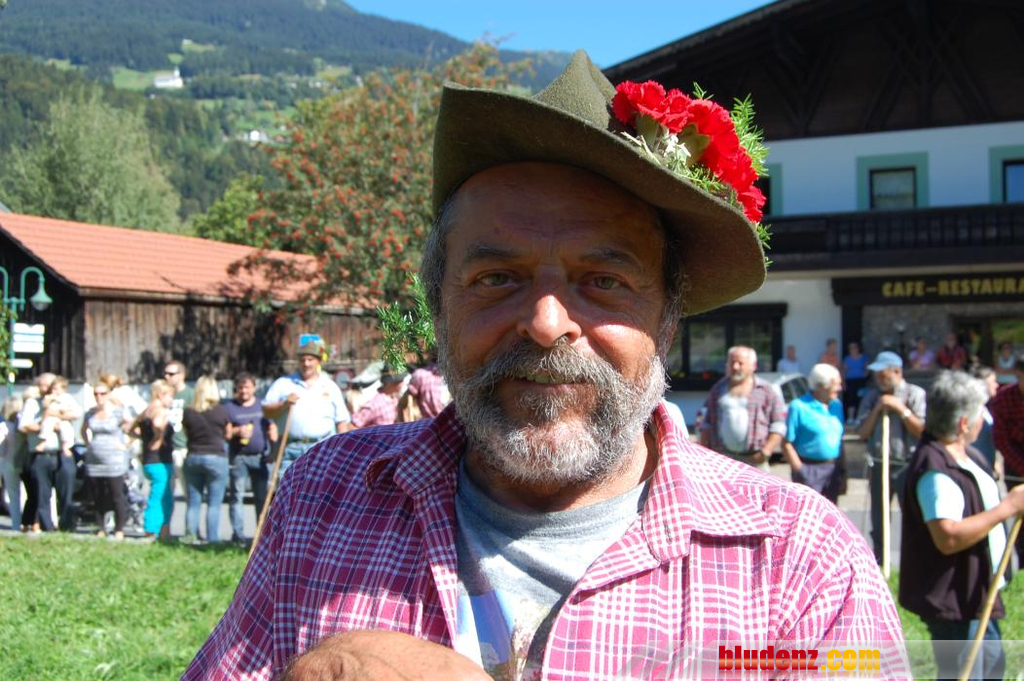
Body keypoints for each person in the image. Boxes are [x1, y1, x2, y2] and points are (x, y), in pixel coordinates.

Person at [186, 51, 906, 679]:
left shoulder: (799, 563)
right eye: (497, 278)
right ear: (439, 307)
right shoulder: (323, 499)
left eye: (604, 281)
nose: (546, 322)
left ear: (667, 321)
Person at [899, 371, 1024, 681]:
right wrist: (1007, 508)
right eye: (981, 412)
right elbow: (948, 538)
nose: (984, 419)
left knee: (992, 668)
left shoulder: (967, 455)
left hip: (977, 592)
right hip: (954, 596)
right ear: (964, 423)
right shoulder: (935, 469)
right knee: (964, 674)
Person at [855, 350, 926, 563]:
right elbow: (862, 432)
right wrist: (878, 408)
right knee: (880, 519)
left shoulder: (915, 394)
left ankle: (914, 565)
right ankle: (881, 565)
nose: (878, 378)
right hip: (879, 464)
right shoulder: (871, 397)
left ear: (896, 371)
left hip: (907, 464)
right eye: (876, 374)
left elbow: (922, 431)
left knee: (914, 517)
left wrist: (900, 409)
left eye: (883, 373)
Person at [263, 340, 352, 477]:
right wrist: (284, 404)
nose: (306, 364)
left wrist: (343, 452)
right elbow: (266, 411)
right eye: (302, 360)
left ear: (318, 361)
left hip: (322, 448)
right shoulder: (283, 384)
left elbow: (341, 422)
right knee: (289, 489)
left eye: (310, 359)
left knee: (319, 488)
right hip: (290, 449)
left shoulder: (330, 386)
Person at [699, 346, 786, 470]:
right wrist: (704, 455)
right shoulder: (718, 389)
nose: (735, 367)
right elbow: (706, 424)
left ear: (753, 366)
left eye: (740, 363)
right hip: (723, 461)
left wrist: (766, 451)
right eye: (732, 363)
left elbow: (778, 424)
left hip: (755, 461)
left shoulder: (766, 390)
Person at [782, 363, 845, 502]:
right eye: (836, 384)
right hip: (809, 469)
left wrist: (843, 472)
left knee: (831, 512)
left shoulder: (837, 405)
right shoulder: (799, 406)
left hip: (833, 468)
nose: (840, 388)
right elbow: (786, 443)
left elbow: (840, 440)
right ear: (822, 385)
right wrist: (800, 470)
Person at [225, 372, 276, 543]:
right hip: (239, 457)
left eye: (247, 387)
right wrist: (237, 431)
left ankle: (261, 536)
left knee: (262, 498)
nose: (244, 391)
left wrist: (273, 448)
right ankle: (238, 535)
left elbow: (272, 427)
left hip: (260, 457)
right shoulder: (229, 407)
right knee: (237, 496)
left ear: (254, 388)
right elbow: (225, 433)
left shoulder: (262, 406)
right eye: (240, 387)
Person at [81, 379, 132, 539]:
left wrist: (126, 444)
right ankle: (100, 527)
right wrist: (89, 444)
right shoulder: (90, 413)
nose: (99, 397)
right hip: (95, 459)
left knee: (116, 494)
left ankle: (119, 528)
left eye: (103, 393)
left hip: (114, 459)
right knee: (98, 494)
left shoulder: (118, 412)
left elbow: (133, 427)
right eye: (96, 394)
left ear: (109, 394)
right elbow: (83, 430)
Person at [182, 376, 230, 544]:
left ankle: (191, 536)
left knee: (193, 501)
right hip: (216, 456)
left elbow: (186, 433)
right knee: (214, 503)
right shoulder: (221, 411)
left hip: (193, 455)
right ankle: (212, 539)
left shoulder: (188, 411)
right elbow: (228, 434)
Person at [989, 356, 1024, 564]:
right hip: (1016, 465)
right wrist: (1022, 468)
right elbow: (1001, 439)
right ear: (1017, 376)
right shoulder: (1004, 398)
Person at [132, 379, 175, 541]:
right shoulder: (161, 411)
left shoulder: (146, 411)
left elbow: (131, 428)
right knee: (162, 497)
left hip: (148, 459)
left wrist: (144, 440)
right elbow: (157, 424)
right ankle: (154, 530)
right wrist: (158, 438)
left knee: (156, 494)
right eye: (170, 396)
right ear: (160, 395)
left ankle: (159, 530)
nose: (171, 400)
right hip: (160, 459)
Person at [29, 395, 76, 532]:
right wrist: (47, 414)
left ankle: (66, 526)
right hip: (43, 454)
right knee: (43, 494)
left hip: (62, 454)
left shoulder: (67, 400)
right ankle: (46, 527)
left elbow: (76, 414)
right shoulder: (33, 404)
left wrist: (55, 414)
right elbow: (23, 426)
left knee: (66, 493)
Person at [163, 359, 194, 500]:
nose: (167, 377)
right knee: (166, 492)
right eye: (165, 373)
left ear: (182, 375)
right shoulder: (164, 394)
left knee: (188, 490)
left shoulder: (190, 394)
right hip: (166, 447)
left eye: (171, 374)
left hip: (183, 447)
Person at [0, 396, 24, 532]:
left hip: (7, 462)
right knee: (24, 493)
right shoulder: (21, 427)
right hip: (23, 461)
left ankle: (16, 524)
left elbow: (1, 449)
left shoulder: (4, 427)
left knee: (12, 494)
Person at [841, 341, 868, 421]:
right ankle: (851, 417)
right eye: (851, 348)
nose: (853, 349)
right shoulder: (847, 359)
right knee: (851, 398)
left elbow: (867, 368)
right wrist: (843, 383)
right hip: (850, 381)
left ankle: (859, 417)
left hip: (860, 381)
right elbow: (844, 371)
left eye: (854, 347)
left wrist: (865, 374)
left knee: (860, 398)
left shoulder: (863, 357)